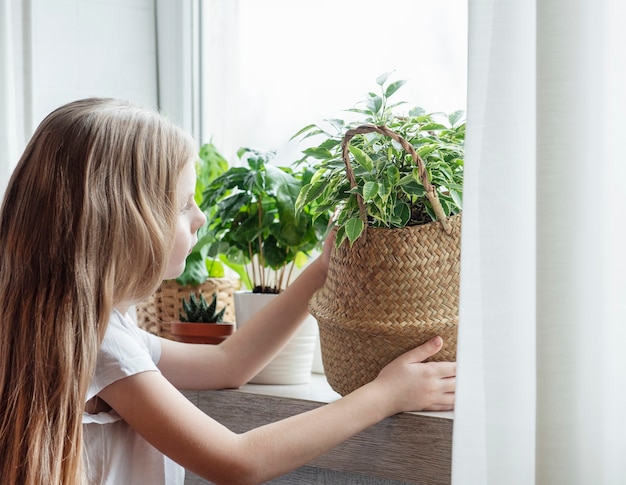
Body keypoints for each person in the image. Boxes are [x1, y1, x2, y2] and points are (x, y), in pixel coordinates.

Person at [0, 98, 456, 485]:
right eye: (183, 205)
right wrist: (385, 396)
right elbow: (238, 461)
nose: (199, 218)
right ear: (121, 225)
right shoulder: (105, 345)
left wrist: (320, 270)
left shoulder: (92, 328)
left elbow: (228, 364)